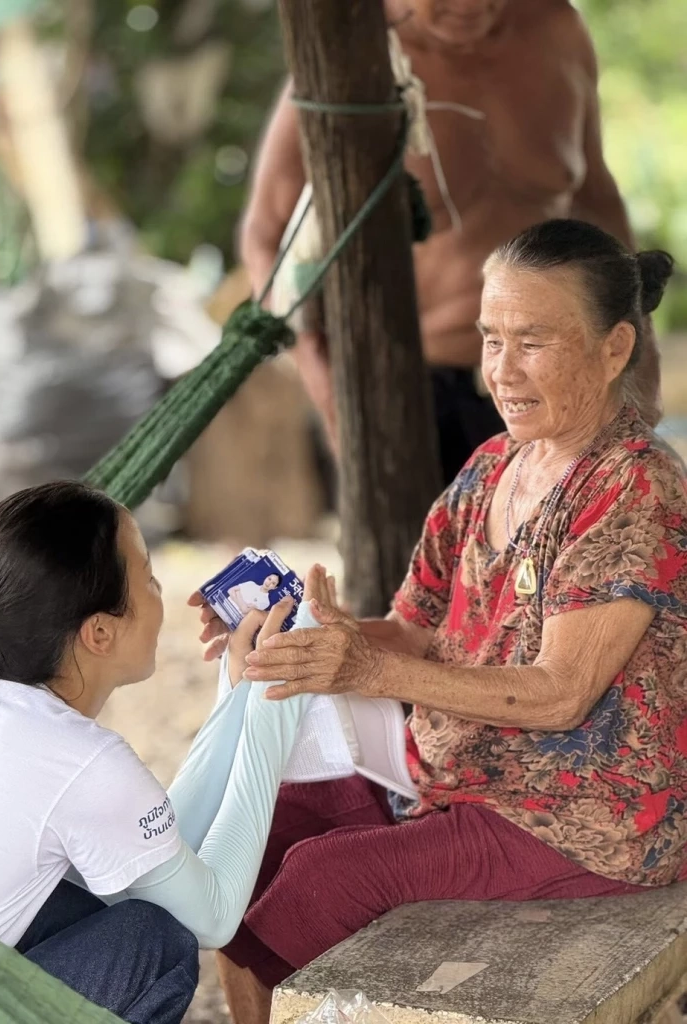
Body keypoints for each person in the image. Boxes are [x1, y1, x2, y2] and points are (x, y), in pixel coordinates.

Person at [195, 220, 686, 1023]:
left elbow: (562, 694)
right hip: (460, 778)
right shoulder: (492, 467)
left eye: (533, 342)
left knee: (322, 879)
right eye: (492, 339)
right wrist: (300, 636)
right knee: (259, 836)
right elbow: (412, 629)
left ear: (614, 349)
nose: (502, 370)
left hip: (585, 817)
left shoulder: (634, 487)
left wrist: (368, 670)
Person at [0, 481, 332, 1024]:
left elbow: (147, 853)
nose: (162, 594)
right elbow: (214, 917)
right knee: (154, 944)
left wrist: (241, 690)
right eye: (149, 578)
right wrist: (279, 703)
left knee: (78, 897)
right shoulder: (83, 760)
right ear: (100, 632)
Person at [240, 0, 661, 484]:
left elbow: (596, 200)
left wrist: (639, 343)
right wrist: (327, 385)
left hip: (558, 383)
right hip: (411, 396)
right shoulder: (353, 52)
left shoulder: (556, 28)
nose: (471, 4)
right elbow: (264, 236)